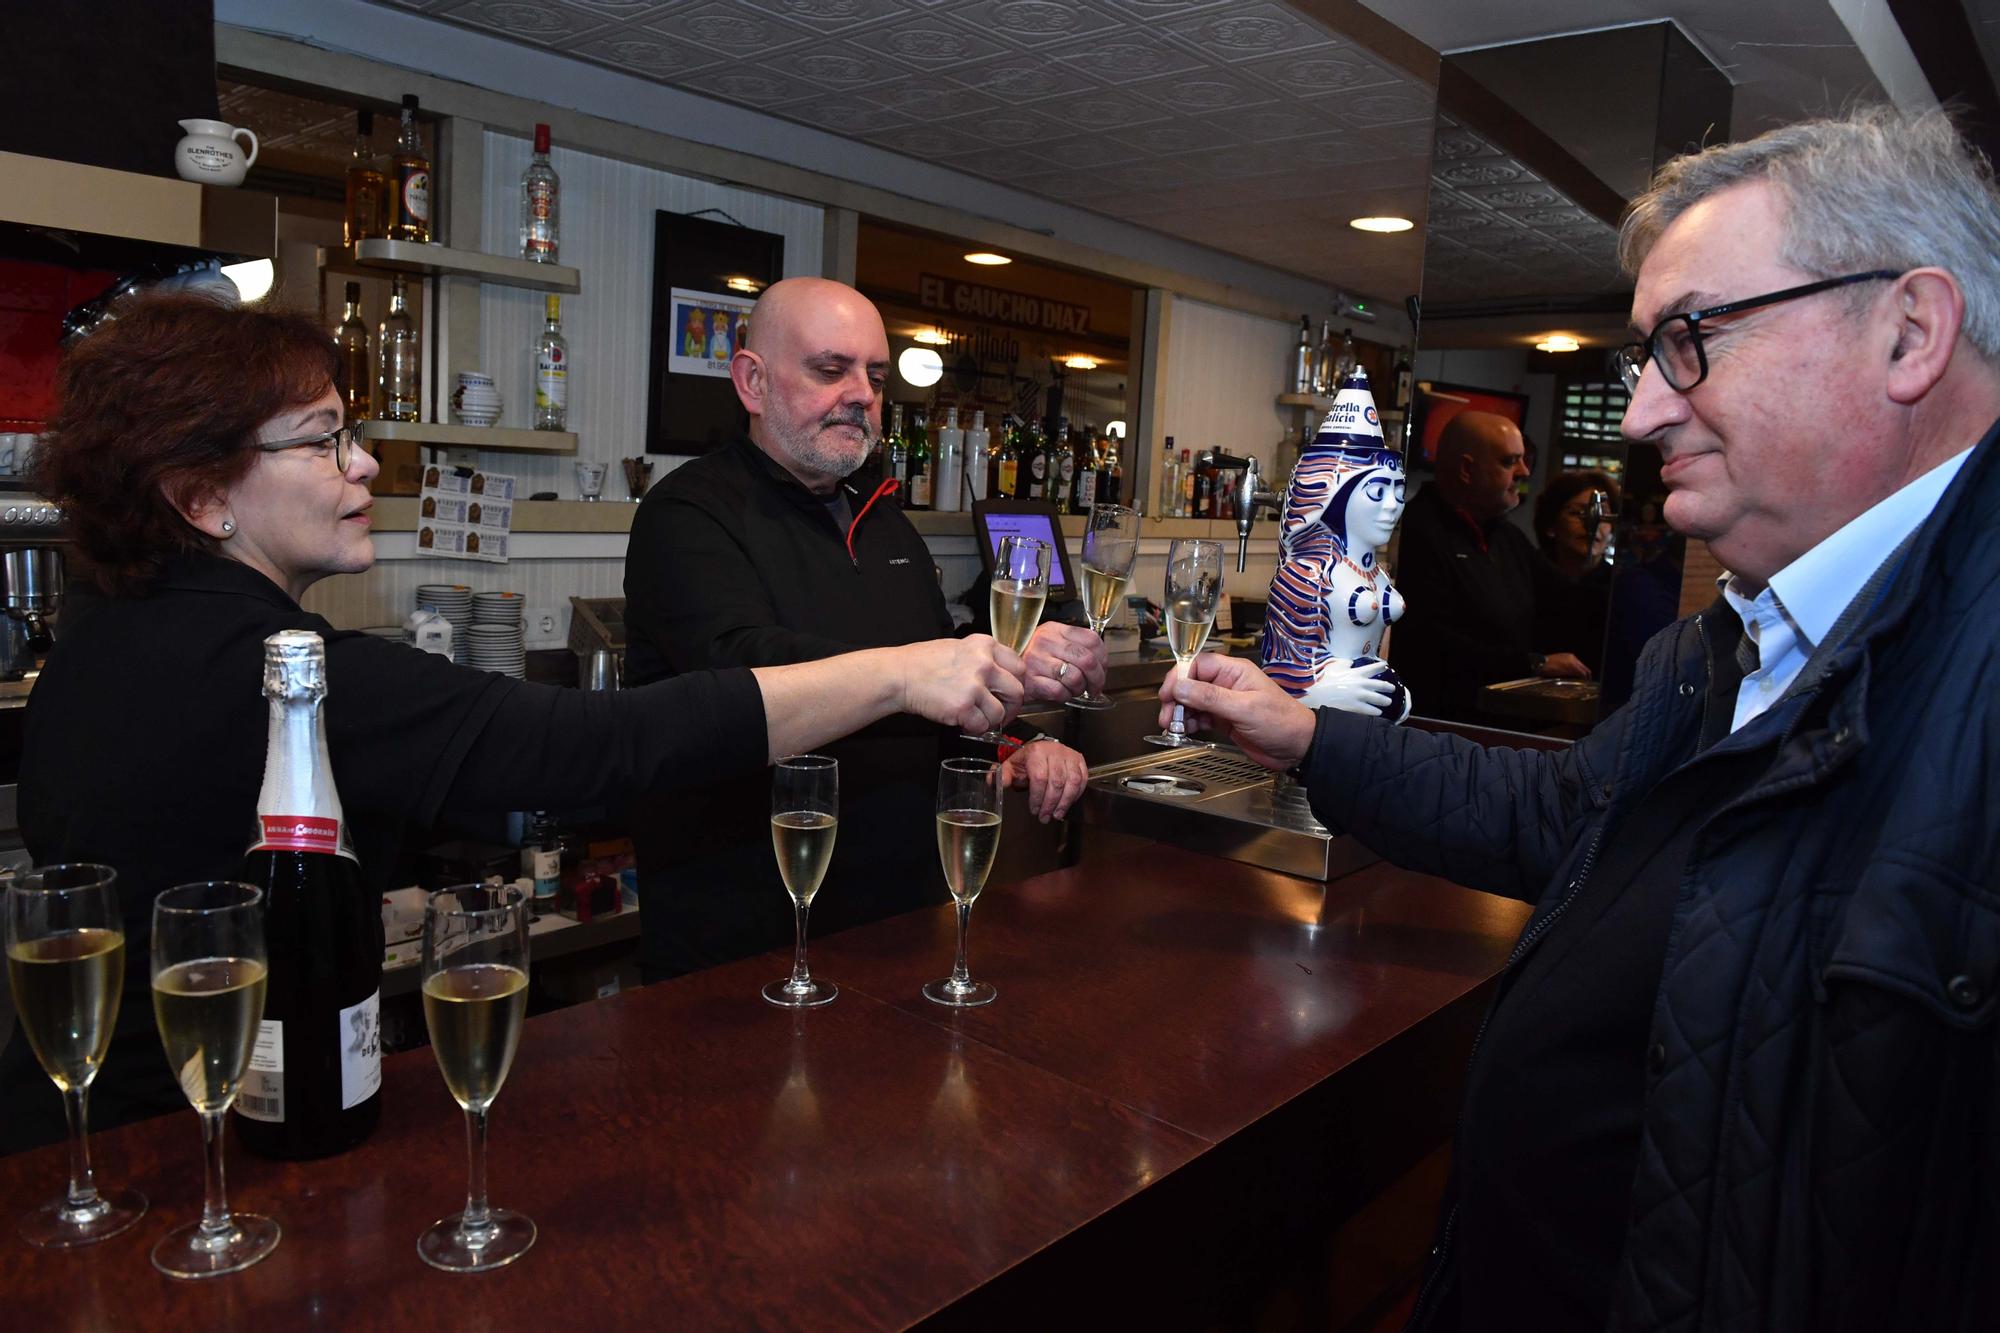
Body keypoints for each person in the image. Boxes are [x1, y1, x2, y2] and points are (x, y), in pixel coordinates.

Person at [1156, 106, 2000, 1329]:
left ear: (1908, 330)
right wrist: (1307, 737)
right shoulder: (1717, 649)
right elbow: (1562, 812)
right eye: (1644, 360)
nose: (1647, 413)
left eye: (1689, 340)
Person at [5, 292, 1029, 1154]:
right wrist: (901, 673)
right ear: (199, 494)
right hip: (206, 1141)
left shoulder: (98, 645)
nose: (363, 467)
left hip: (86, 1129)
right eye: (325, 441)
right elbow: (600, 747)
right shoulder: (278, 675)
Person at [624, 277, 1101, 981]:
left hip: (900, 937)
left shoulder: (885, 523)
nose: (862, 394)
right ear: (752, 382)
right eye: (830, 369)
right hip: (740, 950)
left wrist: (1015, 744)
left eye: (874, 376)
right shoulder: (688, 515)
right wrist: (931, 667)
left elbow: (938, 707)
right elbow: (745, 669)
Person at [1389, 410, 1590, 722]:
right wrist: (1533, 663)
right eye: (1510, 461)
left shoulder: (1506, 535)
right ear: (1468, 469)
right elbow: (1432, 642)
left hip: (1503, 715)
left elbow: (1568, 600)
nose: (1524, 471)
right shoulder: (1416, 532)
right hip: (1442, 724)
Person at [1532, 468, 1621, 675]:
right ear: (1550, 524)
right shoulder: (1526, 579)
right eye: (1578, 513)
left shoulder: (1620, 588)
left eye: (1604, 515)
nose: (1593, 523)